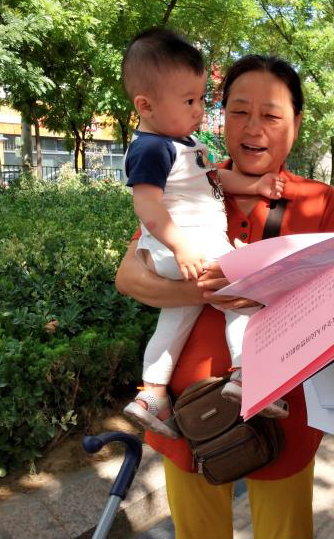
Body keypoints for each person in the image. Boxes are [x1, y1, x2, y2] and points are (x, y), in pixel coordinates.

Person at [115, 54, 334, 539]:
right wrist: (207, 287)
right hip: (190, 414)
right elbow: (130, 277)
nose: (253, 127)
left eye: (271, 115)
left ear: (296, 123)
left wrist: (260, 291)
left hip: (283, 415)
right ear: (221, 116)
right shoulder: (187, 181)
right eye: (239, 111)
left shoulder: (317, 200)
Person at [120, 29, 289, 437]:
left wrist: (256, 186)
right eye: (189, 101)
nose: (199, 110)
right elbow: (146, 206)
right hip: (187, 243)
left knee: (176, 317)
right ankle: (248, 375)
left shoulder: (181, 144)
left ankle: (152, 394)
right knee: (243, 295)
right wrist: (181, 247)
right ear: (145, 105)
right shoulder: (152, 148)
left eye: (201, 99)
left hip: (184, 247)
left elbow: (213, 179)